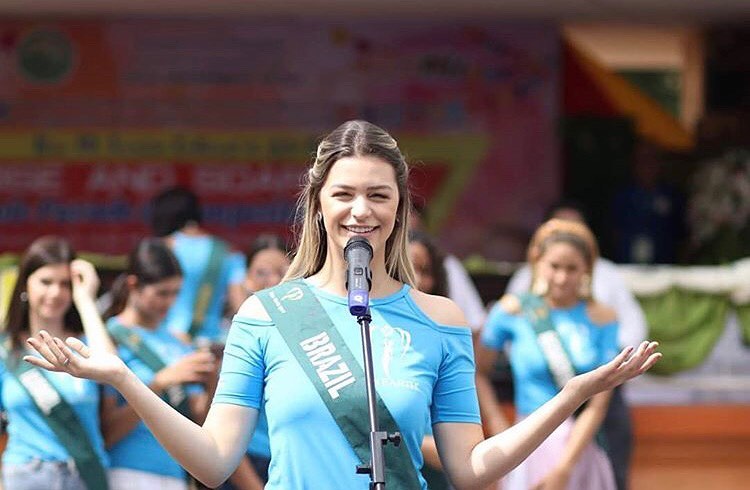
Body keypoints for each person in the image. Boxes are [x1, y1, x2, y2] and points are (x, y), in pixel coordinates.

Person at [24, 120, 660, 490]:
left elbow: (472, 467)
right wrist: (124, 380)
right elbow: (216, 460)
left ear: (401, 208)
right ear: (318, 204)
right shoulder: (266, 313)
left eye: (380, 196)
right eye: (346, 193)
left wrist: (572, 395)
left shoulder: (441, 320)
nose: (362, 211)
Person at [506, 200, 647, 490]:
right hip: (535, 422)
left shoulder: (608, 279)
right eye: (554, 265)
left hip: (595, 418)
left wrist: (598, 356)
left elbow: (633, 332)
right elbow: (501, 345)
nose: (562, 276)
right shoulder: (523, 284)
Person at [477, 218, 623, 490]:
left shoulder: (603, 318)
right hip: (526, 442)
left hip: (581, 447)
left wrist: (565, 468)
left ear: (587, 271)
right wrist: (498, 424)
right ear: (537, 263)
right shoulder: (512, 311)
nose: (562, 277)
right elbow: (478, 372)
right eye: (554, 266)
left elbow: (599, 403)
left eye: (572, 268)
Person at [100, 238, 218, 490]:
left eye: (176, 292)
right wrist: (161, 382)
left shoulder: (179, 342)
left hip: (177, 472)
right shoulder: (109, 338)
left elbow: (200, 421)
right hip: (126, 471)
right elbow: (106, 431)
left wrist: (213, 381)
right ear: (134, 285)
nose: (170, 302)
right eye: (162, 293)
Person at [1, 236, 115, 490]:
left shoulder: (85, 344)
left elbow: (109, 367)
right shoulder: (4, 350)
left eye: (65, 284)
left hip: (84, 475)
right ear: (25, 284)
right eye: (45, 281)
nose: (55, 292)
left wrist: (86, 298)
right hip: (27, 475)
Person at [150, 186, 247, 344]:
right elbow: (241, 307)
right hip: (211, 343)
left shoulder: (163, 247)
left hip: (166, 340)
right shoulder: (229, 253)